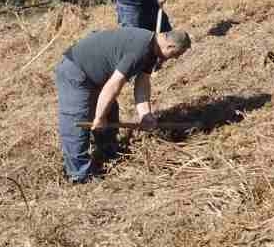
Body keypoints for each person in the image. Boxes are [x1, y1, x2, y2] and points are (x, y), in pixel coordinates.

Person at [54, 26, 191, 183]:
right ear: (170, 46)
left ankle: (108, 152)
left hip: (96, 75)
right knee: (76, 120)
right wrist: (99, 117)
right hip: (75, 70)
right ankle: (79, 175)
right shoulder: (139, 49)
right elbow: (113, 85)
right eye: (176, 55)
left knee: (111, 112)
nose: (175, 59)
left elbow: (142, 83)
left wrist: (145, 115)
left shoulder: (152, 49)